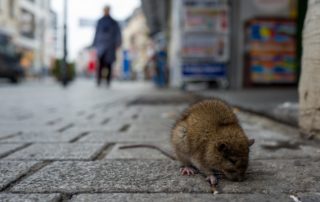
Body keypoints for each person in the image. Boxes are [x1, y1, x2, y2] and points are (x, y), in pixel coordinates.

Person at [92, 6, 122, 86]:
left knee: (109, 64)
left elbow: (118, 33)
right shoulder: (100, 21)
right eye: (105, 10)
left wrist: (118, 43)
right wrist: (94, 44)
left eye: (107, 10)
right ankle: (99, 80)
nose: (106, 11)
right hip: (101, 45)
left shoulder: (114, 22)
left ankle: (108, 81)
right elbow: (96, 33)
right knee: (100, 63)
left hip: (110, 45)